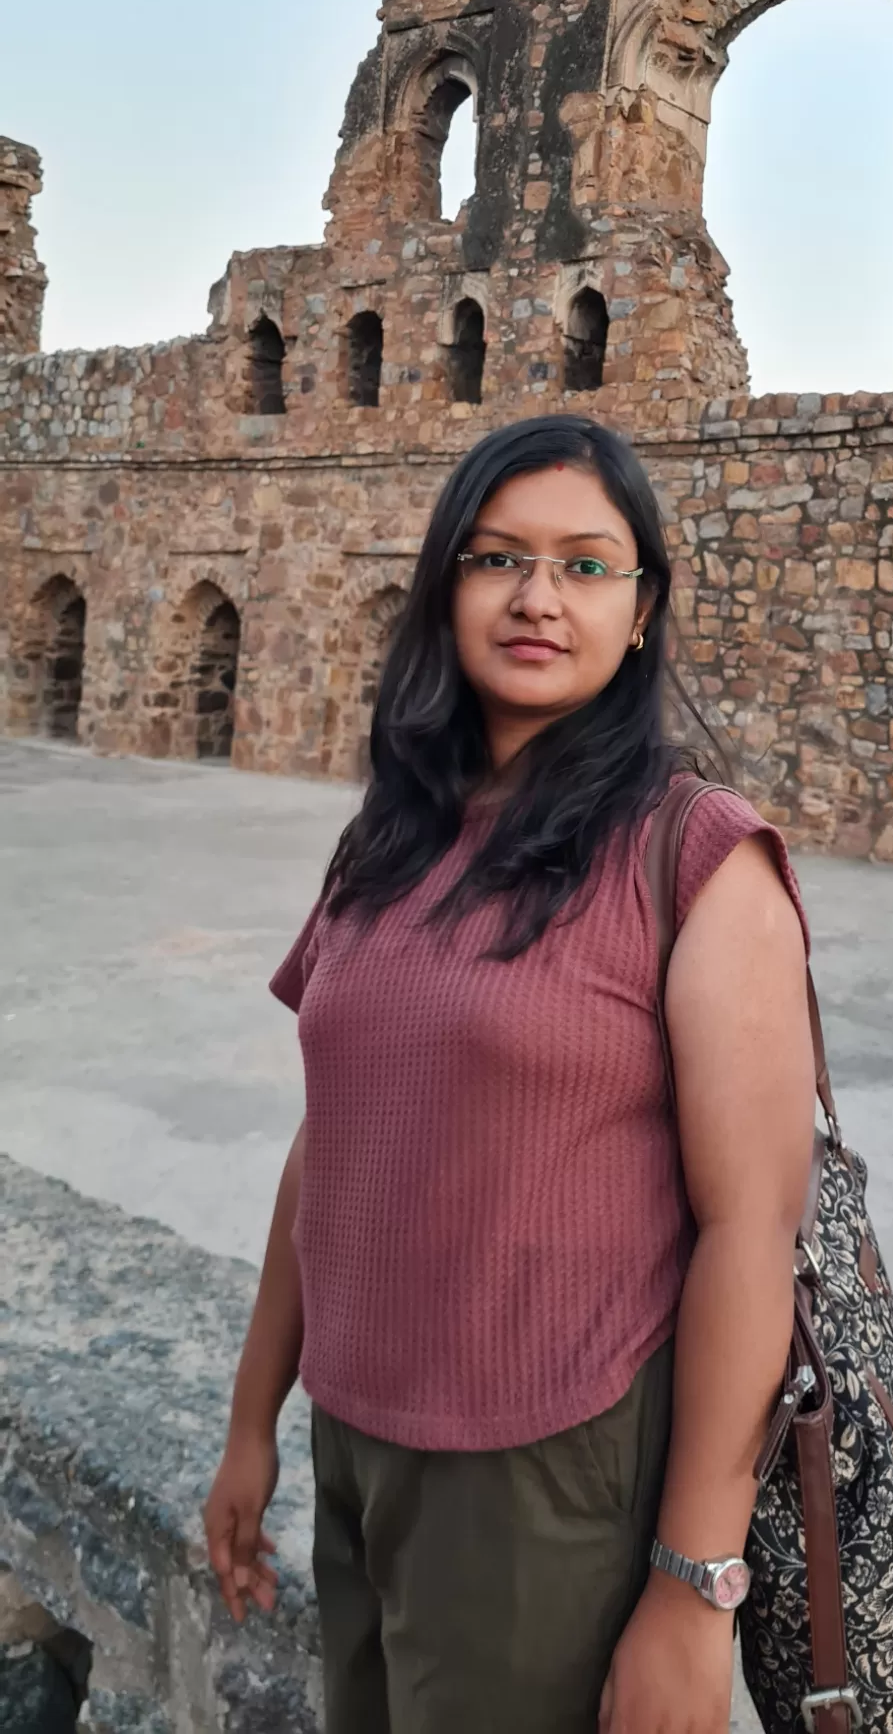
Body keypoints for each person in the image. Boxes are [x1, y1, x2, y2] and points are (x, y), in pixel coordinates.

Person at [203, 415, 815, 1734]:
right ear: (446, 588)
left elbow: (751, 1229)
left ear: (643, 609)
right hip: (359, 1440)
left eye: (587, 566)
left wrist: (692, 1589)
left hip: (546, 1469)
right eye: (498, 559)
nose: (539, 598)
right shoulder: (393, 838)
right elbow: (335, 1144)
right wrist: (256, 1419)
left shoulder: (697, 856)